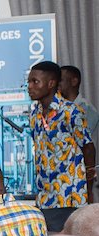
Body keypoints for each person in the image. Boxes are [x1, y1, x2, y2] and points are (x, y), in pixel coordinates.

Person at [28, 61, 95, 207]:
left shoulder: (71, 111)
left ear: (51, 83)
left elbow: (88, 147)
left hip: (70, 195)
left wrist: (88, 189)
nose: (30, 86)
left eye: (35, 81)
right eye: (29, 82)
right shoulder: (34, 115)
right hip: (45, 196)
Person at [59, 65, 99, 141]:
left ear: (74, 82)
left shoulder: (86, 109)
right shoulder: (58, 108)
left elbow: (81, 141)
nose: (57, 84)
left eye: (60, 80)